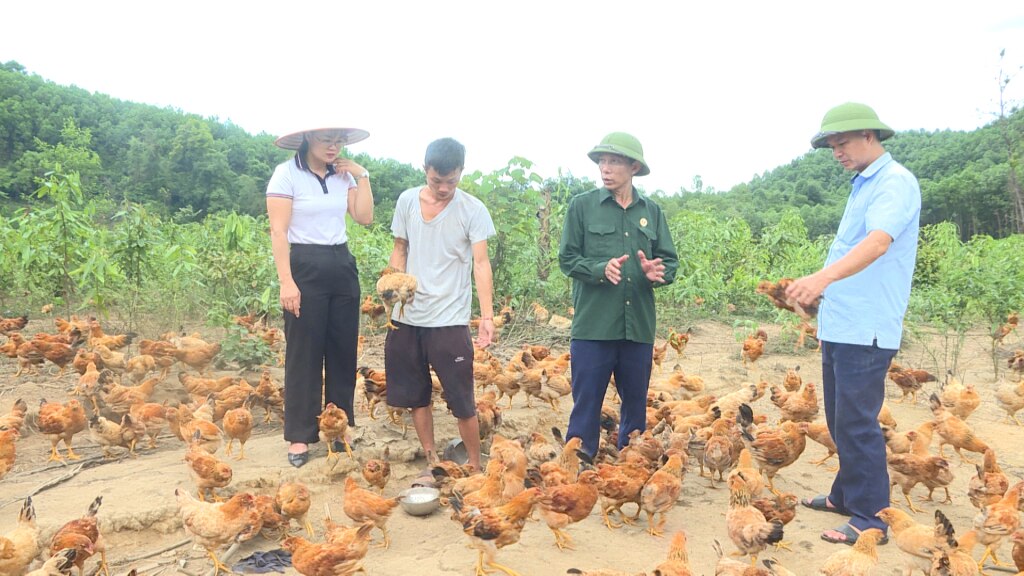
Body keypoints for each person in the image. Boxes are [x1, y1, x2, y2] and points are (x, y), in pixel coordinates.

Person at [787, 102, 921, 546]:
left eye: (841, 143)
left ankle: (870, 519)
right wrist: (822, 291)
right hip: (843, 324)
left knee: (858, 422)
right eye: (830, 145)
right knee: (841, 419)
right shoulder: (863, 185)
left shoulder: (894, 183)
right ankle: (845, 496)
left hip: (868, 327)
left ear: (869, 135)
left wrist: (822, 277)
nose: (836, 152)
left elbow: (878, 243)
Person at [558, 132, 678, 458]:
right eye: (602, 161)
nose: (605, 168)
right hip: (593, 326)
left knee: (636, 403)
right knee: (586, 403)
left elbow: (669, 260)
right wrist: (600, 269)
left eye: (614, 161)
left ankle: (631, 460)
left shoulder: (651, 212)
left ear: (634, 166)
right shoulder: (582, 207)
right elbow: (567, 259)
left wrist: (658, 273)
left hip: (637, 326)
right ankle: (579, 462)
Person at [383, 137, 495, 480]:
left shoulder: (472, 209)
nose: (444, 188)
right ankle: (432, 460)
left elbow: (481, 262)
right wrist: (391, 285)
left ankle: (475, 467)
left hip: (449, 319)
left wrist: (486, 316)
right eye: (437, 181)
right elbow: (400, 247)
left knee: (462, 397)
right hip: (408, 317)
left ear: (461, 172)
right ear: (425, 171)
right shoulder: (406, 201)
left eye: (452, 180)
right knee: (417, 395)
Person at [266, 125, 374, 467]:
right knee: (304, 352)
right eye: (327, 140)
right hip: (304, 264)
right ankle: (300, 435)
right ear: (308, 140)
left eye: (338, 141)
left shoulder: (344, 176)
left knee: (343, 351)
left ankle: (339, 429)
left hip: (341, 263)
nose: (333, 147)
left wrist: (363, 175)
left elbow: (364, 217)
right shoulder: (286, 175)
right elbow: (279, 231)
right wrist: (287, 281)